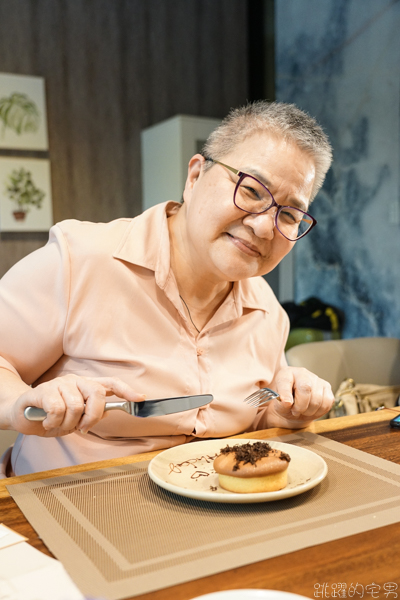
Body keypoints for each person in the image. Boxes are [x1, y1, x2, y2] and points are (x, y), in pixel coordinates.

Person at [0, 101, 335, 476]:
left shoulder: (267, 311)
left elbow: (253, 421)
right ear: (195, 177)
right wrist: (20, 403)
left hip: (210, 515)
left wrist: (286, 410)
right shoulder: (79, 260)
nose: (263, 227)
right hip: (66, 507)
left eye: (289, 214)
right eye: (252, 190)